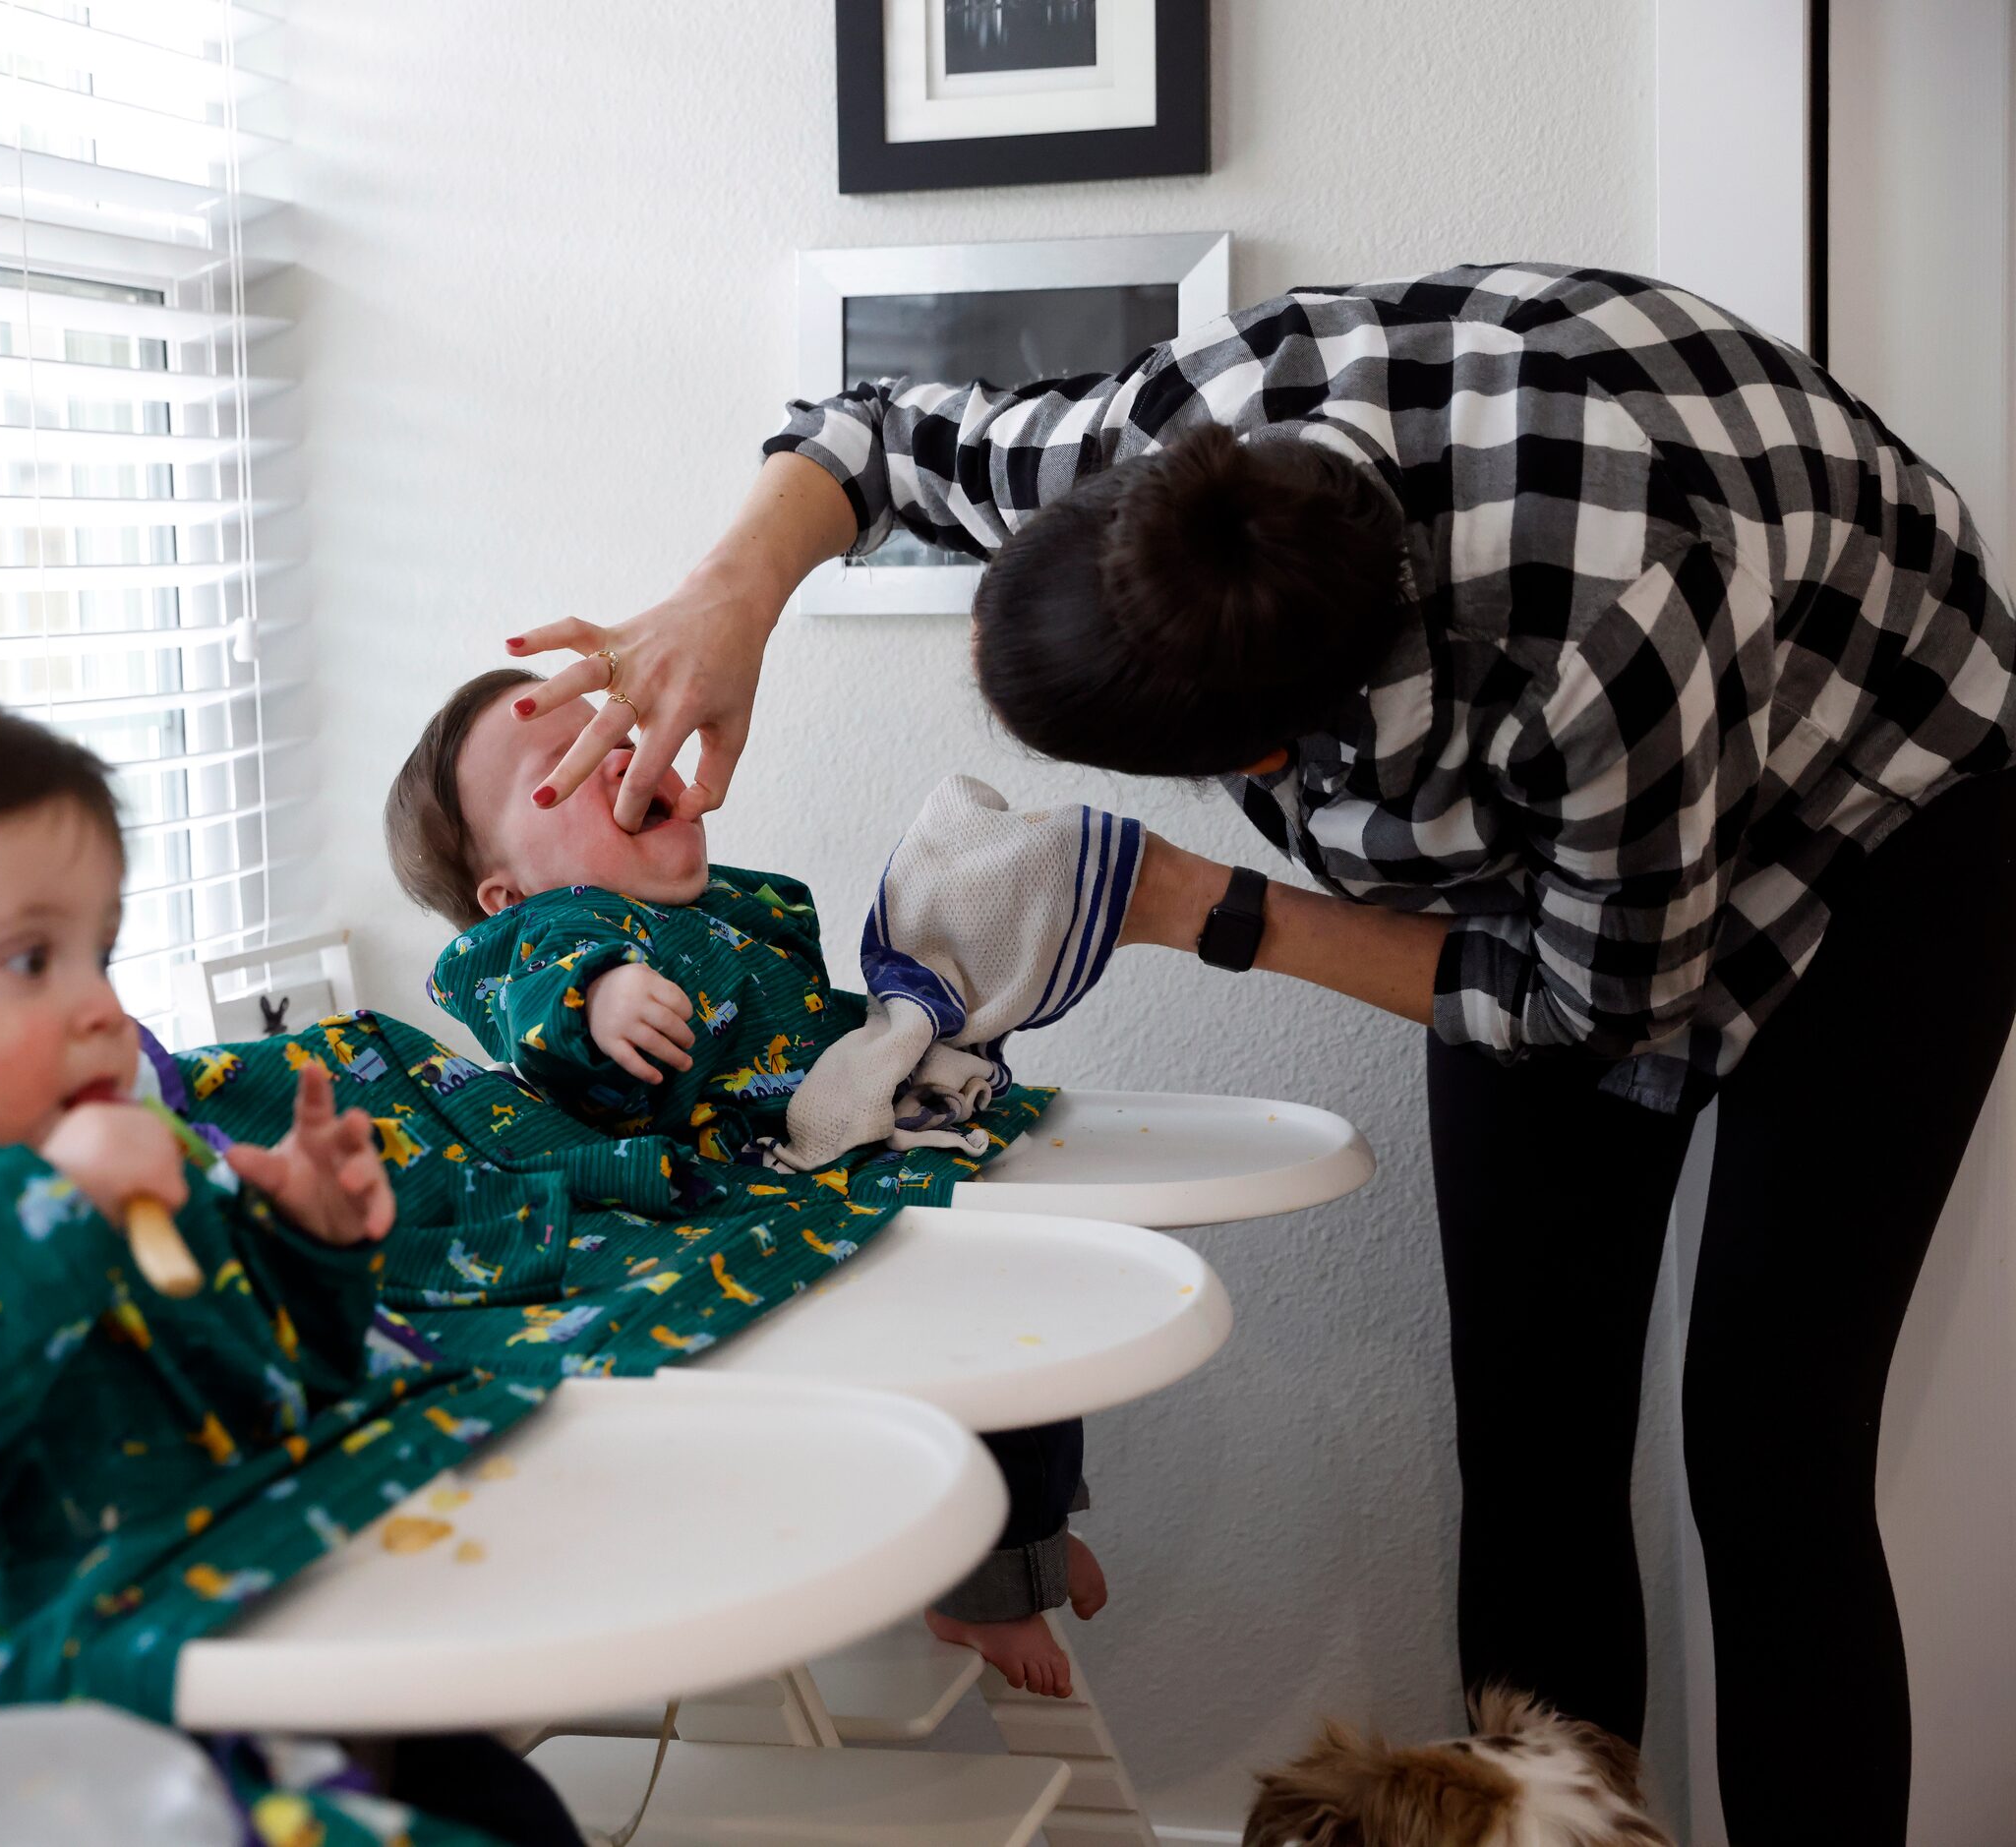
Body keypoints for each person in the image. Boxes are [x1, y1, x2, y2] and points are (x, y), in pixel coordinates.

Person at [504, 264, 2016, 1842]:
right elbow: (862, 439)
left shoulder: (1604, 639)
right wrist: (729, 599)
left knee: (1772, 1460)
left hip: (1885, 798)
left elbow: (1593, 1008)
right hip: (1599, 779)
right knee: (1531, 1428)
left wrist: (1198, 904)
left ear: (1274, 758)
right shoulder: (1161, 446)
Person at [0, 680, 577, 1847]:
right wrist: (56, 1202)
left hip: (252, 1634)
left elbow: (250, 1379)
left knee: (514, 1814)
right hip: (65, 1753)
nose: (104, 1008)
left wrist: (305, 1250)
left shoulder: (75, 1172)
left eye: (96, 953)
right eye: (25, 961)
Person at [384, 666, 1108, 1698]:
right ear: (506, 891)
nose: (622, 760)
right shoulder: (545, 938)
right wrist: (597, 999)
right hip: (744, 1230)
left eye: (619, 736)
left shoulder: (723, 915)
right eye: (571, 765)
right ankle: (980, 1589)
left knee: (1042, 1325)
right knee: (989, 1339)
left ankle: (1028, 1535)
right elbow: (524, 1003)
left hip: (841, 1169)